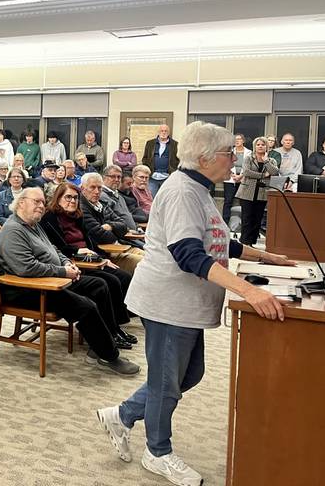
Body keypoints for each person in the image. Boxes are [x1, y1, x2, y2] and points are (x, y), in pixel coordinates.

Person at [96, 121, 292, 486]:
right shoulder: (183, 192)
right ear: (204, 158)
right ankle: (157, 452)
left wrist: (267, 258)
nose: (234, 158)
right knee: (167, 383)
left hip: (185, 304)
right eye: (228, 153)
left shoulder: (200, 189)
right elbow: (189, 253)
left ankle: (122, 414)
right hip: (168, 303)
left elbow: (218, 241)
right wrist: (248, 291)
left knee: (188, 375)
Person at [0, 187, 140, 373]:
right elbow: (26, 268)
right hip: (30, 291)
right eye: (36, 201)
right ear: (21, 203)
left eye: (42, 202)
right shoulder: (13, 230)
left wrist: (66, 263)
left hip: (50, 281)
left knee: (99, 285)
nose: (41, 206)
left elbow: (53, 248)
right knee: (86, 306)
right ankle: (109, 356)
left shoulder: (33, 224)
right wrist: (63, 271)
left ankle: (103, 342)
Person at [39, 183, 137, 347]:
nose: (72, 201)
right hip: (73, 262)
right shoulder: (49, 218)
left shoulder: (78, 216)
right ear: (58, 198)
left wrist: (101, 258)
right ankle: (109, 330)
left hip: (89, 260)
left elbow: (90, 243)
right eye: (68, 197)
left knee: (122, 277)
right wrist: (79, 252)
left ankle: (115, 326)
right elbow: (58, 248)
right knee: (109, 282)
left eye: (75, 197)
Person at [80, 173, 144, 272]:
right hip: (107, 253)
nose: (97, 192)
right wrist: (117, 232)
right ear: (83, 189)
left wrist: (111, 225)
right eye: (92, 187)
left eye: (99, 188)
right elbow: (99, 234)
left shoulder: (103, 205)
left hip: (121, 246)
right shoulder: (82, 208)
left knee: (152, 257)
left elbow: (123, 225)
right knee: (145, 263)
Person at [236, 137, 279, 246]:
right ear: (255, 147)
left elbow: (274, 172)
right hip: (247, 191)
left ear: (267, 147)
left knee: (257, 219)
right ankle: (244, 242)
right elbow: (246, 172)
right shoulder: (249, 158)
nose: (260, 146)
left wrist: (266, 161)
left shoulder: (271, 160)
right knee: (247, 218)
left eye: (263, 145)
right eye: (258, 144)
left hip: (262, 192)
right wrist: (263, 175)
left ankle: (251, 242)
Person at [141, 124, 179, 197]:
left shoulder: (175, 144)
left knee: (166, 198)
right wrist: (148, 170)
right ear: (158, 132)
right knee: (151, 198)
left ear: (169, 133)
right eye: (162, 131)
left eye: (166, 131)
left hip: (167, 177)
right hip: (152, 176)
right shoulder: (150, 143)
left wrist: (173, 171)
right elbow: (145, 158)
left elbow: (178, 160)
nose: (164, 133)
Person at [220, 134, 249, 223]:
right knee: (228, 201)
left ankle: (244, 223)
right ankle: (225, 222)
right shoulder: (229, 152)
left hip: (243, 179)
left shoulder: (249, 153)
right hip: (230, 179)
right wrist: (233, 175)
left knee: (244, 202)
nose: (237, 141)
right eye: (235, 139)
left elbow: (249, 167)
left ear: (243, 141)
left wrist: (241, 176)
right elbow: (224, 164)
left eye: (239, 139)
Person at [100, 165, 139, 231]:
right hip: (122, 236)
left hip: (134, 233)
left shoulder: (120, 196)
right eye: (113, 176)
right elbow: (111, 220)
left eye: (119, 177)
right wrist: (127, 230)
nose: (116, 180)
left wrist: (137, 227)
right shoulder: (102, 196)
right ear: (104, 177)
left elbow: (127, 216)